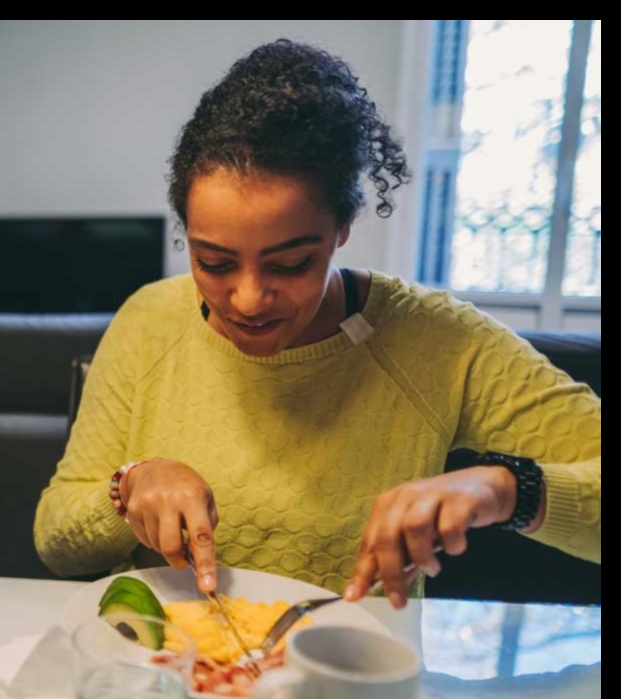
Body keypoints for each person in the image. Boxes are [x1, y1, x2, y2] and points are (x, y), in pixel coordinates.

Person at [35, 39, 600, 607]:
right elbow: (56, 544)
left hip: (351, 663)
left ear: (342, 228)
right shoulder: (150, 322)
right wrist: (128, 487)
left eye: (291, 264)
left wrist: (507, 488)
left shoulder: (438, 343)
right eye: (214, 263)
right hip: (159, 659)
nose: (249, 300)